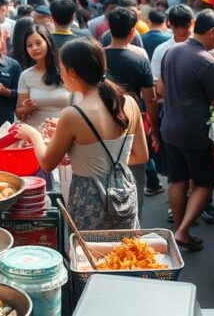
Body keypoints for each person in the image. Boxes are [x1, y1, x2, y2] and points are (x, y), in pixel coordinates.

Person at [16, 39, 148, 230]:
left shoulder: (74, 114)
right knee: (124, 251)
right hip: (124, 193)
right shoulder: (130, 103)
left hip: (90, 198)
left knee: (89, 254)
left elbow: (47, 163)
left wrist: (33, 135)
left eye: (61, 68)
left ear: (72, 72)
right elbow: (140, 156)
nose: (61, 74)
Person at [161, 10, 214, 251]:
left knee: (177, 180)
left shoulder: (172, 51)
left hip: (170, 126)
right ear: (212, 32)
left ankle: (180, 230)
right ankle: (182, 230)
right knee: (205, 182)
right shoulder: (206, 60)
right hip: (194, 130)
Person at [105, 7, 161, 208]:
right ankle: (133, 226)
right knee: (135, 178)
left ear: (109, 29)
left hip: (99, 124)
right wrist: (153, 128)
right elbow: (151, 99)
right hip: (132, 124)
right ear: (132, 32)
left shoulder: (97, 58)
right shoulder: (140, 60)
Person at [16, 24, 71, 129]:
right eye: (29, 45)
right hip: (34, 133)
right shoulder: (25, 75)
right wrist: (27, 109)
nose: (34, 48)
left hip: (63, 131)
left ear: (48, 42)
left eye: (38, 43)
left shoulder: (65, 70)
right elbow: (19, 113)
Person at [151, 5, 194, 99]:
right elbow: (155, 84)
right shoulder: (161, 50)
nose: (181, 31)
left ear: (192, 23)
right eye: (176, 26)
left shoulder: (203, 47)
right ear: (169, 24)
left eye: (185, 27)